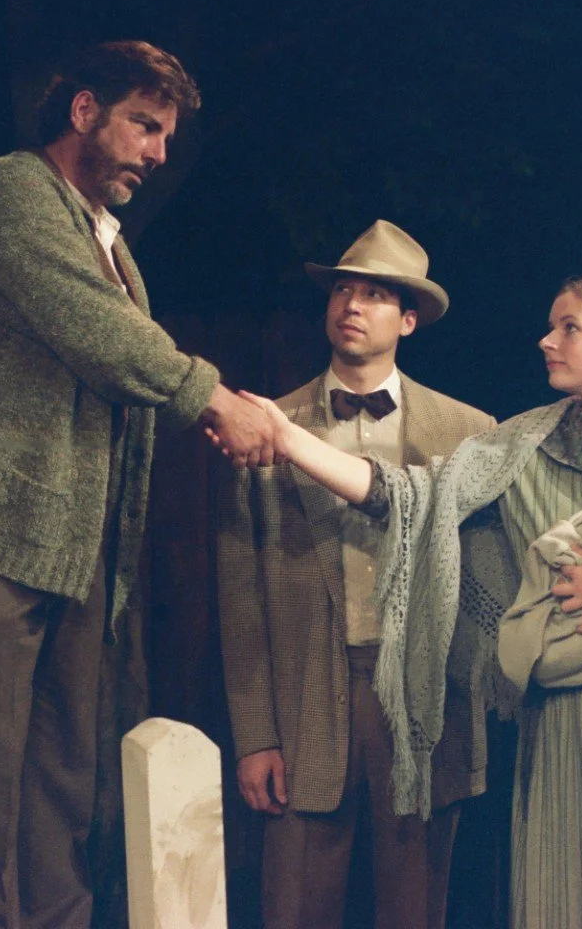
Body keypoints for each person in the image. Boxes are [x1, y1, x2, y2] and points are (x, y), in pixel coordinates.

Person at [230, 272, 582, 929]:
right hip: (571, 733)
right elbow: (406, 497)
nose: (546, 341)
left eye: (569, 328)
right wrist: (289, 438)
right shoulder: (520, 447)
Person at [0, 39, 279, 928]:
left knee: (65, 779)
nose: (157, 152)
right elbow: (105, 338)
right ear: (82, 112)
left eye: (165, 135)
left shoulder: (99, 235)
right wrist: (215, 400)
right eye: (144, 126)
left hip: (69, 542)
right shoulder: (7, 194)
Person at [217, 220, 493, 929]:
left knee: (415, 906)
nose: (353, 304)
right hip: (308, 688)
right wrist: (254, 736)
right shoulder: (269, 422)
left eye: (375, 294)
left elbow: (484, 584)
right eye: (344, 288)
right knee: (295, 903)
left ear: (407, 319)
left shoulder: (467, 430)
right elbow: (241, 591)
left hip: (421, 699)